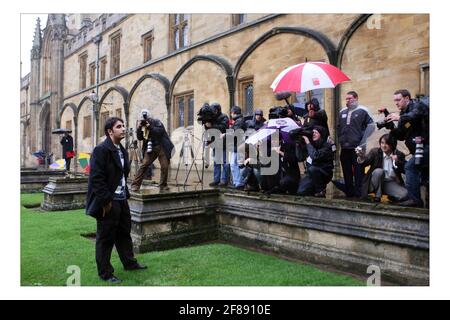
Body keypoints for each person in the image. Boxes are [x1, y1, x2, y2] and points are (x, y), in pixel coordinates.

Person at [86, 117, 147, 284]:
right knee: (105, 238)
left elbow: (121, 175)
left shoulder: (121, 150)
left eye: (123, 126)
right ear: (110, 131)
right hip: (109, 201)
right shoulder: (101, 150)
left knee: (124, 233)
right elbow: (96, 179)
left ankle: (129, 263)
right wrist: (106, 201)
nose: (123, 129)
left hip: (121, 199)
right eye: (119, 126)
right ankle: (105, 273)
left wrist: (124, 193)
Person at [387, 89, 429, 207]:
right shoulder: (403, 114)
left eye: (398, 100)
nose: (396, 103)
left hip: (427, 146)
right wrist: (391, 127)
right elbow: (401, 135)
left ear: (407, 98)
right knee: (425, 178)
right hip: (418, 150)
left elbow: (413, 115)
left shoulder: (418, 105)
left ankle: (414, 199)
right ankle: (414, 197)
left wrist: (399, 118)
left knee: (410, 167)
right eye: (395, 100)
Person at [336, 91, 375, 198]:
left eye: (350, 98)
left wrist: (362, 142)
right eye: (346, 99)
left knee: (358, 171)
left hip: (358, 148)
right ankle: (349, 193)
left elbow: (371, 126)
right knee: (346, 171)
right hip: (345, 148)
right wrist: (341, 140)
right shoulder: (342, 111)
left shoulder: (363, 110)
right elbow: (338, 127)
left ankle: (359, 194)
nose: (347, 101)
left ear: (356, 98)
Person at [356, 133, 408, 203]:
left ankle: (391, 196)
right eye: (382, 143)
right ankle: (378, 196)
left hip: (389, 182)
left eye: (386, 143)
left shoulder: (399, 155)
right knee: (379, 171)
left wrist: (397, 161)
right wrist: (361, 157)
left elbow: (405, 169)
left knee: (405, 194)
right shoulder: (375, 152)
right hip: (374, 182)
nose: (383, 146)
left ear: (392, 144)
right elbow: (365, 162)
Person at [131, 109, 174, 191]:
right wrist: (139, 128)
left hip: (161, 146)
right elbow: (140, 138)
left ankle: (163, 185)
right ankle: (135, 185)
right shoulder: (142, 125)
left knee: (165, 166)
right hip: (150, 147)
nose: (145, 120)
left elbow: (160, 132)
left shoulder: (157, 122)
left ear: (150, 118)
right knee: (144, 165)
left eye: (147, 119)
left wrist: (149, 126)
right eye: (143, 119)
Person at [297, 126, 334, 197]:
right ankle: (313, 189)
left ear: (321, 134)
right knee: (301, 191)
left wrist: (308, 142)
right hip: (311, 174)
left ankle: (321, 190)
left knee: (313, 169)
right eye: (313, 132)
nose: (313, 134)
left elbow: (315, 156)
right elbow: (300, 158)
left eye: (316, 133)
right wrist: (298, 144)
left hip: (324, 172)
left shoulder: (327, 146)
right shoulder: (312, 144)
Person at [206, 102, 230, 187]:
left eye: (214, 110)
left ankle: (224, 180)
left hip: (223, 144)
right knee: (216, 163)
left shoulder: (224, 117)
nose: (213, 112)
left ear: (218, 110)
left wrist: (212, 126)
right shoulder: (212, 118)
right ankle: (216, 180)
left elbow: (223, 128)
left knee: (225, 163)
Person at [226, 106, 247, 189]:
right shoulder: (238, 120)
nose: (231, 115)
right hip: (237, 146)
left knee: (235, 164)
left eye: (231, 113)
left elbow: (235, 133)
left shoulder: (239, 121)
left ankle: (239, 183)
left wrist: (226, 134)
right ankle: (237, 182)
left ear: (234, 113)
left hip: (238, 146)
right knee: (235, 164)